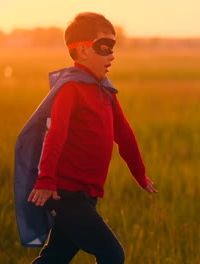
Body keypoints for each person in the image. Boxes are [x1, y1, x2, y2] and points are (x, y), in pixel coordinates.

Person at [28, 12, 157, 264]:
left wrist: (139, 174)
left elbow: (125, 135)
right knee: (112, 255)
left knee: (56, 256)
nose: (112, 54)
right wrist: (46, 180)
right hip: (66, 194)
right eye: (104, 46)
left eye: (113, 47)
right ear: (82, 51)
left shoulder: (106, 91)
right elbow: (55, 135)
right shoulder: (71, 89)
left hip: (88, 193)